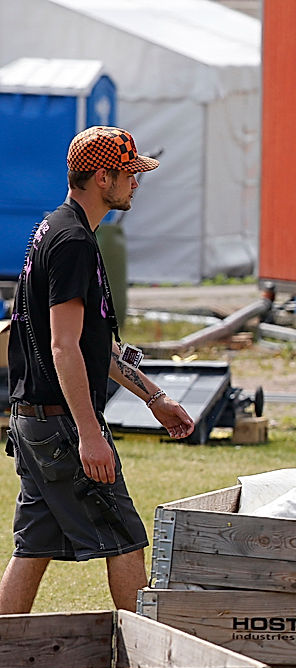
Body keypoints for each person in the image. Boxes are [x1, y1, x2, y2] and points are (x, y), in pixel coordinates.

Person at [0, 126, 195, 614]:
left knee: (33, 550)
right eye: (129, 174)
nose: (136, 183)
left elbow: (92, 346)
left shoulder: (59, 228)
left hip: (34, 422)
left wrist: (154, 398)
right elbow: (64, 348)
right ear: (102, 176)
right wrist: (89, 433)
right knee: (126, 537)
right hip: (60, 424)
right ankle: (146, 667)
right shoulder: (72, 242)